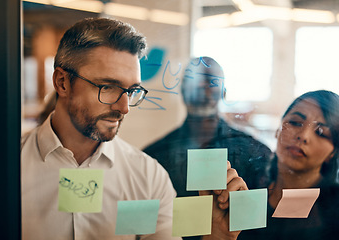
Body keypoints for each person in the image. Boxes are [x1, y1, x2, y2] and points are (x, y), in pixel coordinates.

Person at [21, 17, 248, 240]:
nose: (124, 107)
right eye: (108, 87)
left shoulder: (148, 176)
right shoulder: (6, 168)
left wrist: (218, 237)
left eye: (131, 91)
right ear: (62, 82)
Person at [143, 56, 273, 199]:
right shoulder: (153, 157)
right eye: (194, 80)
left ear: (224, 92)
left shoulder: (256, 154)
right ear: (183, 90)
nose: (201, 86)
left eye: (211, 81)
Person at [238, 90, 339, 239]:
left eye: (320, 132)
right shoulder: (245, 188)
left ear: (333, 153)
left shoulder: (334, 211)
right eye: (295, 123)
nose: (303, 136)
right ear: (278, 129)